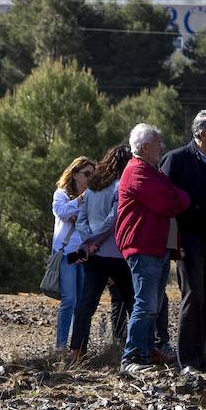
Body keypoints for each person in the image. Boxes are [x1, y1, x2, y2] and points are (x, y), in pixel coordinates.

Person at [115, 124, 190, 373]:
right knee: (146, 304)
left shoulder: (151, 171)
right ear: (145, 147)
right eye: (159, 143)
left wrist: (175, 196)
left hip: (155, 246)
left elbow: (174, 197)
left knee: (154, 304)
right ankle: (133, 358)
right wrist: (176, 196)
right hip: (142, 245)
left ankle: (146, 352)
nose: (162, 148)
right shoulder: (138, 171)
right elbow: (168, 202)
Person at [161, 110, 206, 373]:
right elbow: (166, 203)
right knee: (193, 297)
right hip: (189, 240)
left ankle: (202, 358)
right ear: (202, 133)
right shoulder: (177, 160)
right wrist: (173, 242)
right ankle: (187, 361)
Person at [71, 145, 133, 355]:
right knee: (133, 302)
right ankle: (140, 348)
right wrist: (95, 239)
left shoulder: (93, 188)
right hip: (116, 254)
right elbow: (114, 220)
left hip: (93, 255)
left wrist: (88, 241)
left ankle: (77, 350)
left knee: (86, 304)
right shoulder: (120, 186)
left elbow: (81, 219)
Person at [51, 157, 94, 349]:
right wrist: (81, 200)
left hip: (84, 254)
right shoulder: (61, 194)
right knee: (69, 300)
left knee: (81, 304)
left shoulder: (93, 198)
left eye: (93, 175)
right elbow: (62, 212)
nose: (90, 178)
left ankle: (77, 347)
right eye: (86, 174)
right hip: (67, 252)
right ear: (75, 174)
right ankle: (60, 346)